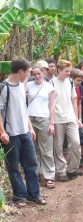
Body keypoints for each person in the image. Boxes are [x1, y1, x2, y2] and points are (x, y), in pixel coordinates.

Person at [0, 57, 47, 207]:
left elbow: (23, 109)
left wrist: (30, 128)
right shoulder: (3, 87)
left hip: (24, 132)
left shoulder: (21, 86)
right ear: (20, 71)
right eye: (27, 72)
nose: (28, 75)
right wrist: (2, 132)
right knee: (13, 166)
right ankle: (19, 196)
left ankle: (35, 195)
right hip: (10, 133)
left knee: (31, 164)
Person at [53, 60, 83, 181]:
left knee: (75, 143)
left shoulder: (70, 81)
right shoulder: (51, 83)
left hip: (70, 117)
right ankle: (61, 171)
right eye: (66, 71)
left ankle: (72, 169)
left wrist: (76, 118)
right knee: (58, 146)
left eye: (69, 71)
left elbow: (74, 100)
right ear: (59, 70)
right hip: (57, 118)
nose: (68, 73)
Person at [27, 63, 56, 188]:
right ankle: (36, 173)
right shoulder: (28, 85)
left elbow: (52, 105)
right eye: (34, 74)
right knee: (33, 148)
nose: (37, 76)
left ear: (43, 73)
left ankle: (49, 176)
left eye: (39, 73)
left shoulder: (49, 87)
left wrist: (52, 123)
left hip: (44, 119)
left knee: (46, 149)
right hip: (30, 120)